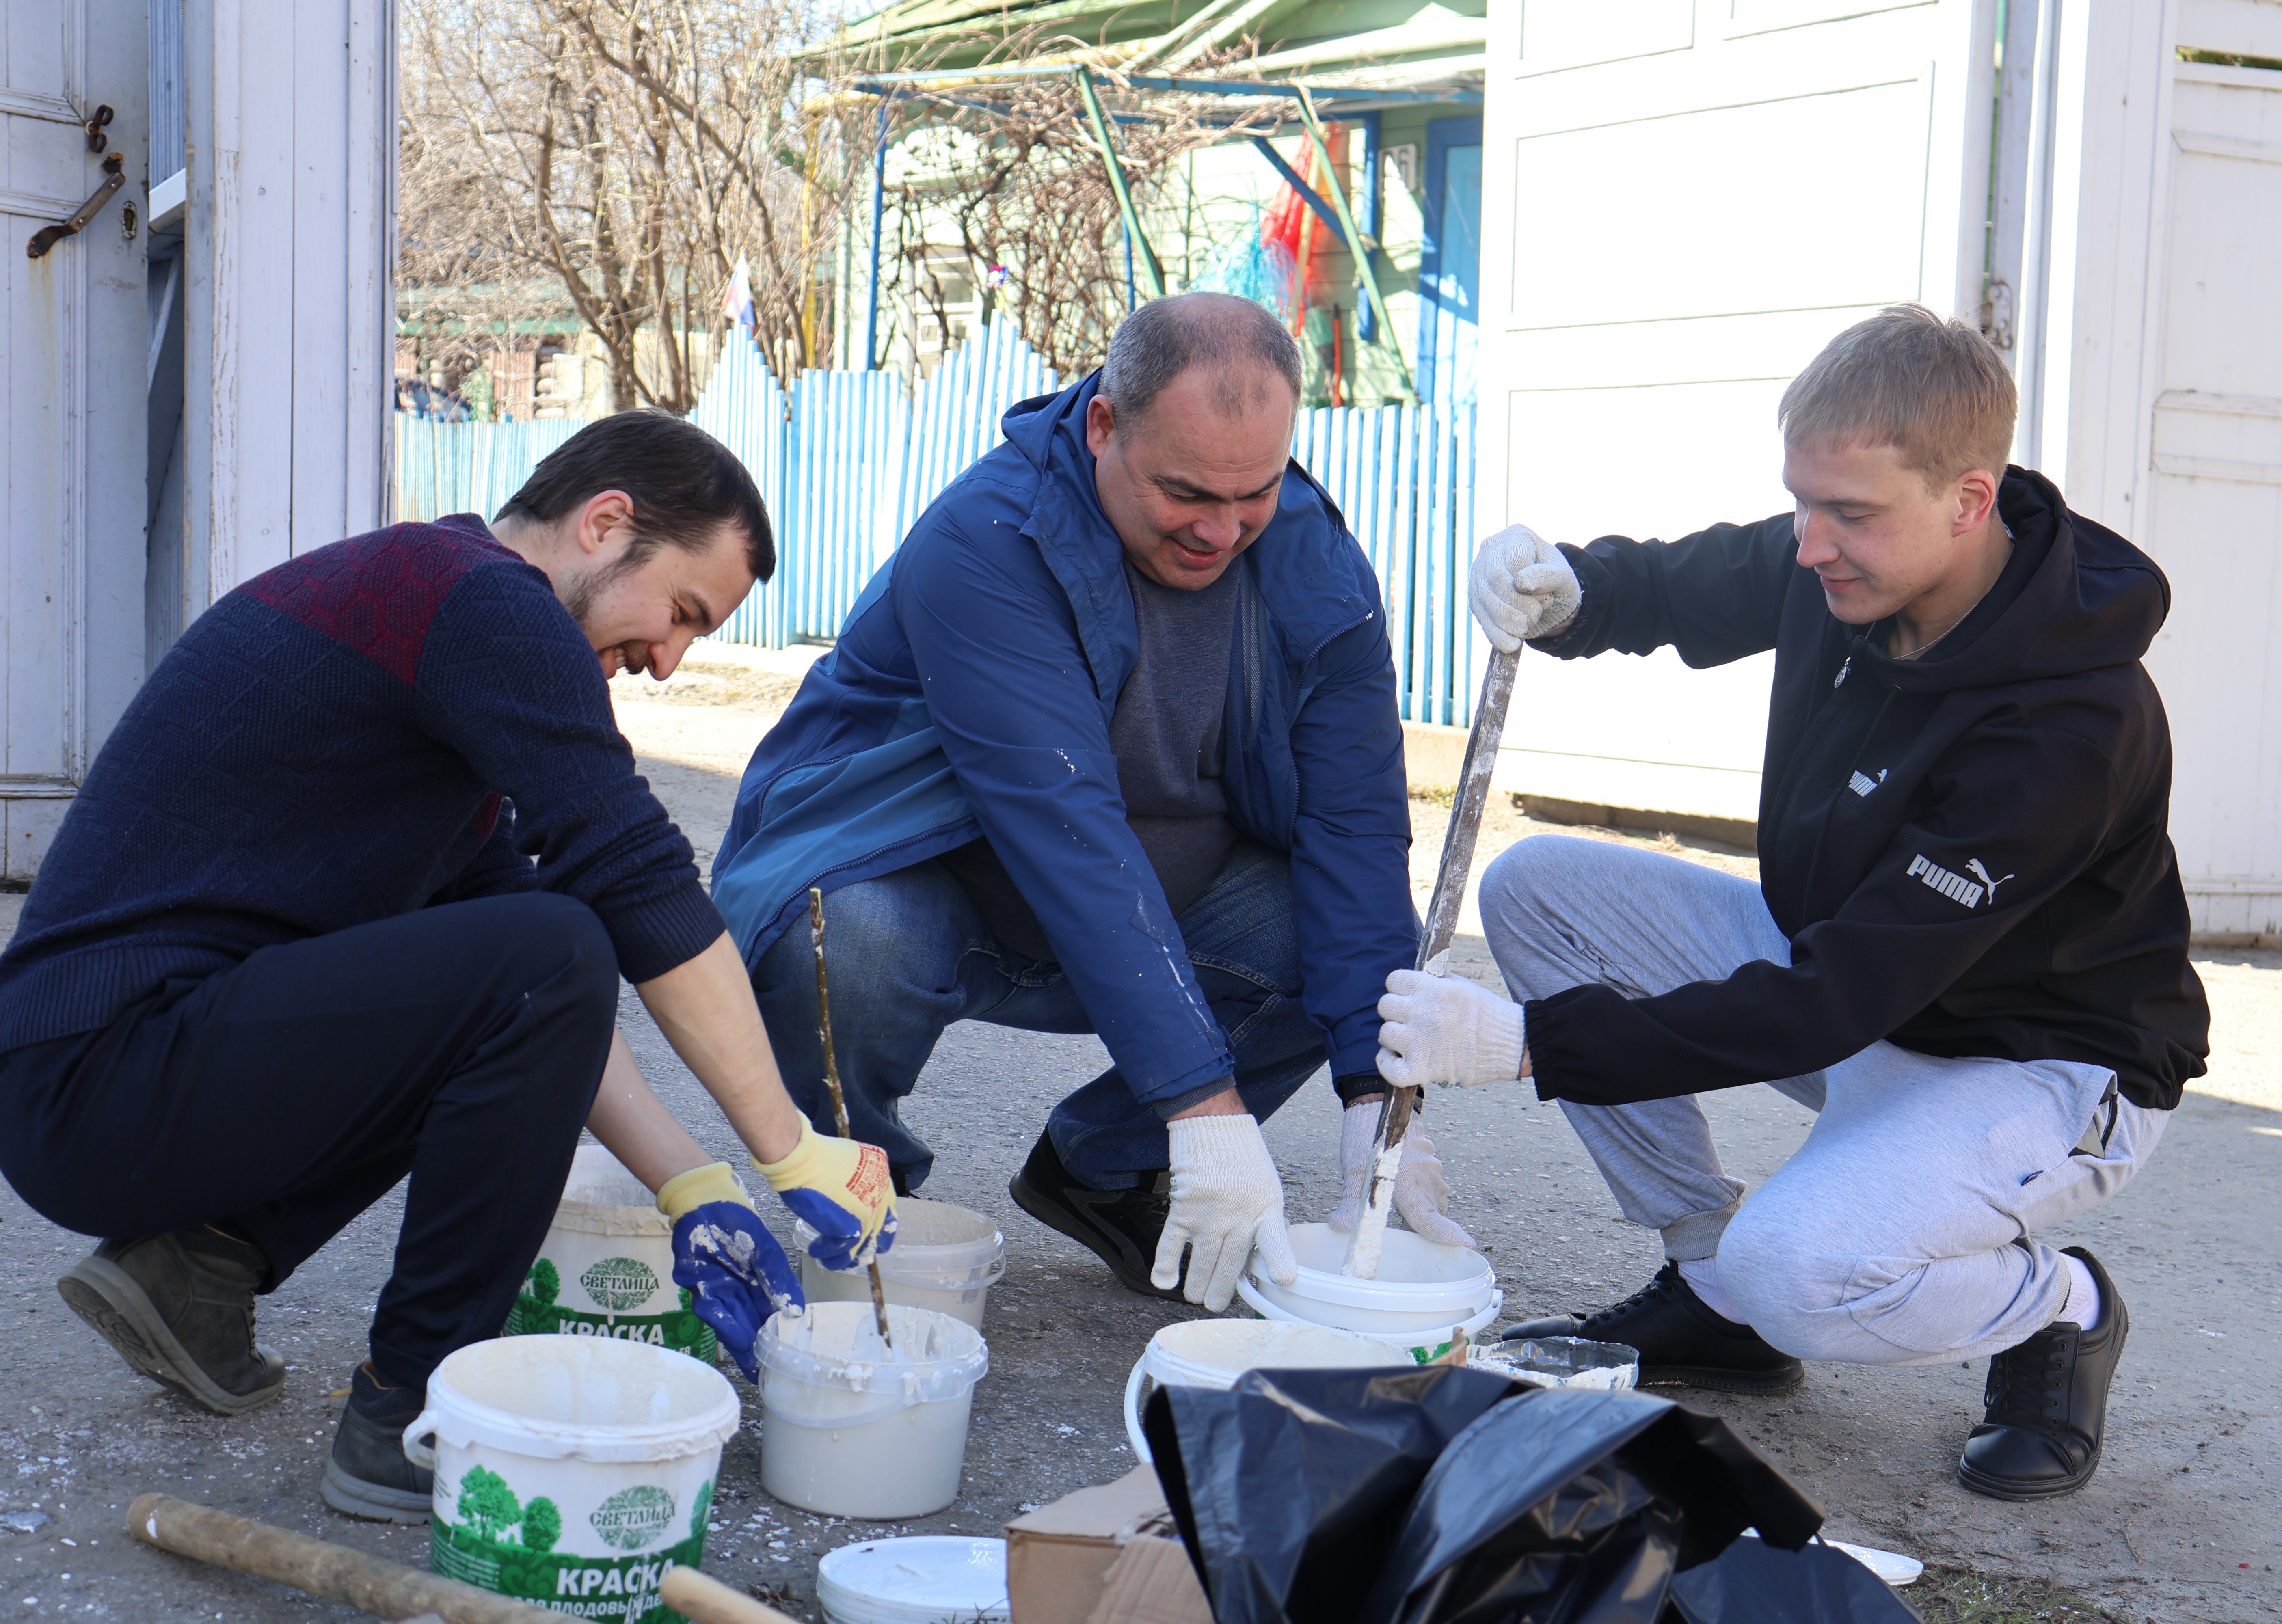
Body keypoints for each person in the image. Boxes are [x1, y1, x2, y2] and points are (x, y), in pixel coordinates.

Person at [1376, 306, 2209, 1500]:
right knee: (1539, 890)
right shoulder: (1851, 555)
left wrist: (1525, 1044)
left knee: (1800, 1273)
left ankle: (2054, 1305)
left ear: (1968, 500)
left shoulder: (2068, 725)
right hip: (1864, 982)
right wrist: (1570, 591)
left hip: (2032, 1065)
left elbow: (1831, 1000)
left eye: (1847, 515)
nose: (1811, 544)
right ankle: (1709, 1283)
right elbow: (1690, 584)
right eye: (1800, 502)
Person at [0, 412, 894, 1521]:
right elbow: (627, 876)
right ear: (604, 522)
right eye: (680, 612)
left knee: (528, 956)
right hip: (98, 1074)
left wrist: (693, 1187)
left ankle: (199, 1267)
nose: (668, 662)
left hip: (102, 1078)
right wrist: (789, 1145)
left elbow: (532, 1001)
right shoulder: (477, 597)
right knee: (553, 947)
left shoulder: (436, 629)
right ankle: (413, 1412)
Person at [709, 292, 1470, 1314]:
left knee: (1340, 938)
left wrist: (1379, 1097)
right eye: (1185, 492)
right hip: (941, 893)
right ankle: (867, 1205)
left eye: (1254, 492)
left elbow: (1354, 829)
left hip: (1169, 910)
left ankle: (1105, 1167)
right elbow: (1065, 831)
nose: (1220, 531)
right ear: (1104, 425)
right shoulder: (988, 541)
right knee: (838, 933)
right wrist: (1202, 1104)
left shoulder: (1313, 564)